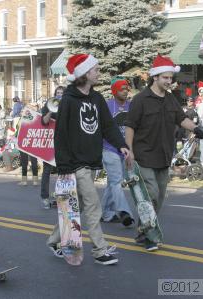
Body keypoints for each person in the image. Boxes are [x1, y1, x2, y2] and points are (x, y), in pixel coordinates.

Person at [46, 53, 130, 265]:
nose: (99, 72)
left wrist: (122, 145)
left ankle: (55, 240)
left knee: (78, 206)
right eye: (95, 69)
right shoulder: (68, 101)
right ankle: (99, 250)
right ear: (84, 74)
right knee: (93, 205)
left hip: (91, 161)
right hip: (75, 164)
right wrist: (63, 165)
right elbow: (61, 134)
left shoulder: (96, 98)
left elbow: (108, 126)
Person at [124, 55, 203, 251]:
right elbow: (130, 127)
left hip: (164, 155)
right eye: (165, 78)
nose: (169, 81)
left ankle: (143, 230)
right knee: (150, 193)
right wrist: (129, 151)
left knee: (159, 197)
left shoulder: (170, 99)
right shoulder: (140, 100)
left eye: (170, 78)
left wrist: (195, 128)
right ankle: (151, 236)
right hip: (143, 155)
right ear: (155, 77)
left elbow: (181, 118)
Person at [101, 78, 135, 226]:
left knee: (111, 183)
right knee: (116, 181)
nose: (125, 91)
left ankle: (106, 214)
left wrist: (131, 150)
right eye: (122, 89)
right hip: (109, 149)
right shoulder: (107, 106)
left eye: (126, 89)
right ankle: (124, 211)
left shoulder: (131, 106)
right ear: (115, 91)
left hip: (125, 150)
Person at [40, 86, 65, 209]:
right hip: (49, 143)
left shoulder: (67, 104)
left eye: (62, 93)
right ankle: (45, 197)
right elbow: (44, 121)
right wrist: (51, 109)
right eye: (58, 93)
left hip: (63, 142)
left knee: (63, 171)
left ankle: (61, 196)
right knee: (46, 171)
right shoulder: (48, 104)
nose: (59, 95)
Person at [18, 105, 39, 186]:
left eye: (23, 111)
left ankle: (35, 180)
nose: (22, 112)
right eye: (22, 111)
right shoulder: (20, 119)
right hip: (23, 143)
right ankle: (24, 180)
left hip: (32, 143)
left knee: (34, 162)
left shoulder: (33, 118)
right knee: (24, 163)